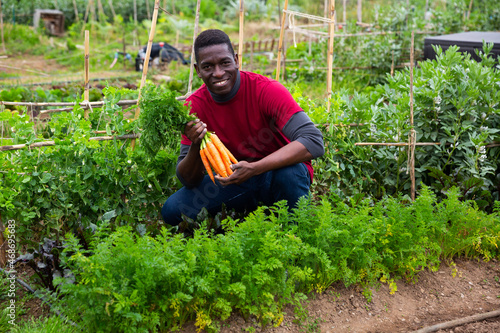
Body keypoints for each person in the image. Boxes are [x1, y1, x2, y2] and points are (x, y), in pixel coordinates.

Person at [161, 29, 324, 226]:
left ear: (236, 60)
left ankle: (295, 231)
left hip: (277, 174)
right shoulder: (194, 106)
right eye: (208, 66)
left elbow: (313, 141)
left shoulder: (265, 90)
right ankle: (246, 215)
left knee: (290, 174)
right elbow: (188, 179)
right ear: (197, 70)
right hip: (235, 179)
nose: (218, 72)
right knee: (172, 211)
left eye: (225, 62)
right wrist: (195, 144)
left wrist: (255, 168)